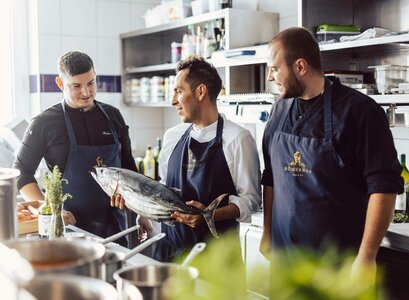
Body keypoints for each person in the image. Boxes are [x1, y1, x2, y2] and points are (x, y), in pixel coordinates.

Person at [259, 27, 403, 274]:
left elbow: (384, 187)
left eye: (274, 68)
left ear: (300, 67)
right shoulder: (278, 111)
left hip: (337, 268)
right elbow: (271, 176)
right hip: (285, 263)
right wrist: (267, 231)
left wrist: (367, 257)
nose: (270, 77)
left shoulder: (360, 112)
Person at [112, 56, 262, 262]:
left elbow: (251, 200)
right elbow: (163, 189)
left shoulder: (238, 138)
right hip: (170, 250)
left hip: (218, 260)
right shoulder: (172, 136)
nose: (173, 100)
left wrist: (210, 216)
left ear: (200, 92)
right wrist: (144, 212)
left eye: (179, 91)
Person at [13, 50, 137, 246]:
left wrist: (142, 212)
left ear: (95, 75)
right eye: (76, 86)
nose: (86, 92)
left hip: (115, 228)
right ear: (61, 83)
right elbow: (21, 172)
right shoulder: (44, 123)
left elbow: (129, 168)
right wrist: (50, 209)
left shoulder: (114, 117)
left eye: (91, 83)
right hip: (68, 230)